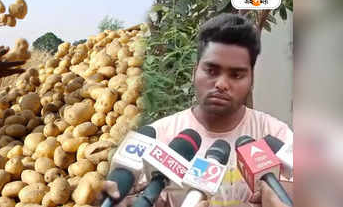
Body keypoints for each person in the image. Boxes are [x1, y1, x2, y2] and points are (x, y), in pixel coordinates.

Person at [103, 13, 293, 207]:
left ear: (251, 80)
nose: (221, 84)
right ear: (195, 73)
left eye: (236, 75)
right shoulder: (156, 140)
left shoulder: (277, 137)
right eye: (211, 71)